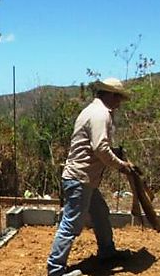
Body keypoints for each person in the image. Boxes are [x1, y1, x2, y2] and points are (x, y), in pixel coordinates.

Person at [47, 78, 136, 276]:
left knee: (100, 213)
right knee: (71, 223)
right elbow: (100, 148)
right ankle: (55, 270)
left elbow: (96, 145)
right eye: (119, 98)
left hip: (85, 178)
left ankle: (107, 251)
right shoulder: (100, 114)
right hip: (80, 178)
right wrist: (121, 166)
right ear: (111, 95)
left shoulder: (93, 111)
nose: (120, 103)